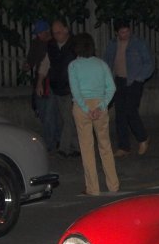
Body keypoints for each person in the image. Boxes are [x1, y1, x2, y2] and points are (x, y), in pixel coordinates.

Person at [68, 32, 119, 196]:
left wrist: (85, 108)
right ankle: (113, 185)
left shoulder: (74, 66)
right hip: (100, 106)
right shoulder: (102, 64)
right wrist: (101, 106)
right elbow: (112, 88)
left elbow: (75, 91)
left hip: (82, 108)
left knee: (87, 148)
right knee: (105, 146)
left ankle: (93, 188)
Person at [103, 19, 155, 158]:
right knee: (120, 113)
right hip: (118, 81)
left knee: (130, 110)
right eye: (122, 32)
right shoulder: (112, 44)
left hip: (134, 81)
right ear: (116, 32)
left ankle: (143, 138)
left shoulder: (138, 43)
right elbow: (107, 62)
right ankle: (124, 146)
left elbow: (149, 63)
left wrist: (139, 78)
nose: (125, 34)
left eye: (127, 31)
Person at [36, 19, 79, 157]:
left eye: (59, 32)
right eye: (54, 33)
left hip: (72, 87)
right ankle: (76, 147)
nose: (56, 35)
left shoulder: (75, 45)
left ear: (67, 30)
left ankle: (64, 148)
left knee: (68, 118)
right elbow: (45, 64)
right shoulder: (52, 45)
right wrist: (40, 82)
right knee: (67, 118)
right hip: (57, 86)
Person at [23, 20, 59, 153]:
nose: (39, 36)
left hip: (52, 82)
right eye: (37, 33)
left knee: (50, 113)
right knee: (42, 112)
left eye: (41, 33)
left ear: (47, 32)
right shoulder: (36, 43)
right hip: (40, 81)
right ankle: (53, 139)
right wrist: (27, 65)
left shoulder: (54, 43)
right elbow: (31, 60)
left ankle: (50, 143)